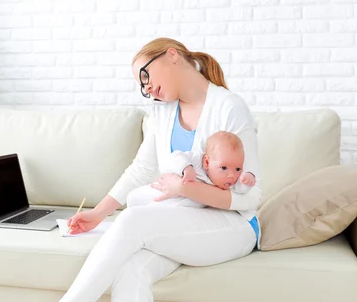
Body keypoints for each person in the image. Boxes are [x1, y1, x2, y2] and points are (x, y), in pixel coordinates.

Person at [59, 37, 262, 302]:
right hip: (186, 218)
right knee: (132, 270)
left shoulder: (229, 108)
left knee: (133, 220)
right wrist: (97, 214)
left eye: (146, 77)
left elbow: (252, 196)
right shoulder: (162, 112)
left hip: (235, 224)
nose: (147, 89)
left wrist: (186, 188)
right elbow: (141, 169)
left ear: (172, 55)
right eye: (142, 87)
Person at [126, 131, 256, 209]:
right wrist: (186, 167)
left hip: (179, 204)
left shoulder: (232, 180)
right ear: (206, 162)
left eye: (238, 168)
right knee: (133, 198)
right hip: (163, 188)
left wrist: (248, 179)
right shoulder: (196, 161)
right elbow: (175, 156)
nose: (231, 175)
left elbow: (240, 190)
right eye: (223, 168)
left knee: (157, 212)